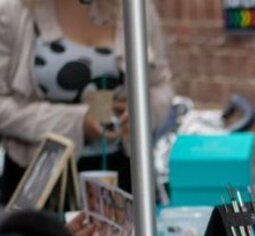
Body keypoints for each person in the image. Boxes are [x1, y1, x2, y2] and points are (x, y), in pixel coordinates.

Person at [0, 0, 173, 202]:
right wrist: (77, 122)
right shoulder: (14, 11)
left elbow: (161, 84)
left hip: (123, 174)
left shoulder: (135, 7)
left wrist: (143, 111)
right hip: (42, 179)